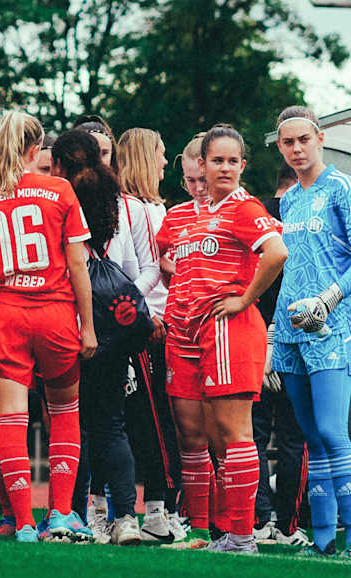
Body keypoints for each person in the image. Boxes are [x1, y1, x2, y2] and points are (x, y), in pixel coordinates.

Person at [0, 110, 97, 543]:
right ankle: (59, 514)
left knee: (11, 421)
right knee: (63, 415)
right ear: (37, 149)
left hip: (4, 317)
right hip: (55, 314)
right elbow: (78, 262)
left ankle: (21, 522)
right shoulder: (59, 191)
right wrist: (88, 326)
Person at [161, 124, 287, 553]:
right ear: (202, 164)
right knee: (200, 433)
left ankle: (242, 534)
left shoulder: (243, 207)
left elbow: (276, 253)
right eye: (218, 160)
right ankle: (221, 532)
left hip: (228, 330)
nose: (226, 167)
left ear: (243, 166)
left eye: (234, 161)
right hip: (192, 332)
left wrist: (244, 299)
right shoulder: (202, 213)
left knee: (236, 434)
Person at [270, 106, 351, 558]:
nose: (297, 149)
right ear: (280, 146)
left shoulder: (343, 187)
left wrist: (328, 299)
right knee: (310, 437)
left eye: (303, 140)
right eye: (287, 142)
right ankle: (324, 540)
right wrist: (275, 331)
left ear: (320, 138)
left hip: (331, 327)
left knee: (334, 432)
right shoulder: (289, 198)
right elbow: (286, 267)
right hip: (292, 330)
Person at [51, 129, 148, 545]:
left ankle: (72, 515)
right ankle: (126, 516)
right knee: (111, 423)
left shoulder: (59, 194)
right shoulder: (113, 192)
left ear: (59, 162)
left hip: (67, 312)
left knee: (71, 424)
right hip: (111, 318)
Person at [114, 127, 184, 544]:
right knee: (154, 422)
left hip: (152, 324)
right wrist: (136, 315)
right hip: (149, 328)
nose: (164, 162)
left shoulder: (151, 208)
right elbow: (140, 271)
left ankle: (152, 508)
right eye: (160, 153)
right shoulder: (135, 209)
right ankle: (157, 510)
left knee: (151, 421)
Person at [252, 165, 313, 547]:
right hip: (296, 341)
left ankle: (259, 520)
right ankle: (289, 525)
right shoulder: (309, 218)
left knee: (252, 436)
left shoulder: (253, 214)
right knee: (294, 438)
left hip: (256, 337)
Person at [156, 132, 209, 548]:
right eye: (189, 180)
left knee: (230, 435)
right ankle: (200, 524)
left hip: (223, 337)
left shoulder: (242, 210)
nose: (196, 188)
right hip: (180, 333)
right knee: (188, 434)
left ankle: (236, 525)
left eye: (201, 179)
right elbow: (160, 259)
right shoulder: (174, 216)